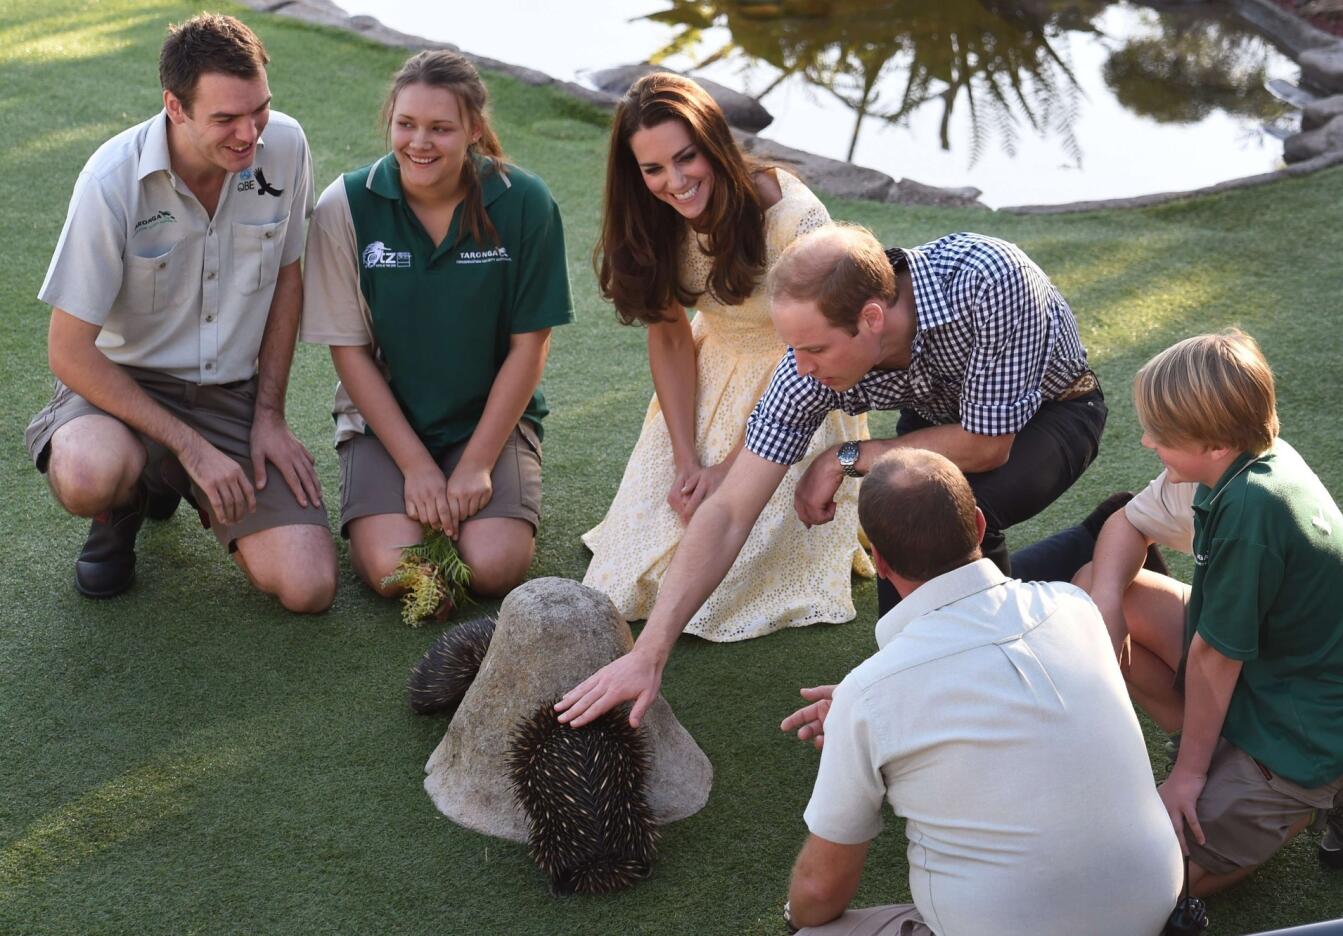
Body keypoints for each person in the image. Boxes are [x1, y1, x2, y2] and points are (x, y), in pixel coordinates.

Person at [558, 222, 1104, 727]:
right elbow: (727, 512)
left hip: (1053, 414)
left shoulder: (991, 281)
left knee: (952, 508)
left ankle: (990, 681)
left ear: (871, 318)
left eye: (814, 348)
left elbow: (987, 446)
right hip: (943, 416)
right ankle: (1088, 550)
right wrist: (648, 653)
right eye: (792, 347)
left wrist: (845, 456)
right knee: (898, 512)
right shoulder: (808, 366)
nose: (801, 368)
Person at [776, 449, 1181, 936]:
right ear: (979, 523)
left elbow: (818, 895)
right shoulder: (1075, 606)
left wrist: (864, 714)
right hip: (1157, 907)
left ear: (879, 563)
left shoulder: (870, 694)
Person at [24, 13, 336, 611]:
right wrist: (193, 448)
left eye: (259, 109)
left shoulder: (287, 146)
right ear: (175, 105)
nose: (250, 134)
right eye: (225, 118)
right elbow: (68, 352)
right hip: (125, 387)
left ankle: (164, 474)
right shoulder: (110, 182)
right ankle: (130, 496)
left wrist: (269, 415)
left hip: (230, 393)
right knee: (89, 473)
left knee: (310, 587)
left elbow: (288, 277)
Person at [1078, 330, 1343, 895]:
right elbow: (1127, 525)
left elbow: (1214, 660)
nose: (1146, 440)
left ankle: (1328, 783)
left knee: (1153, 885)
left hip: (1313, 725)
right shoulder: (1241, 461)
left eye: (1161, 433)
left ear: (1212, 443)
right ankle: (1236, 765)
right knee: (1097, 588)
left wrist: (1188, 775)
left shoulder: (1253, 511)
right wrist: (1105, 607)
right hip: (1282, 675)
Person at [581, 73, 871, 641]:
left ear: (712, 143)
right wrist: (688, 457)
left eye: (686, 158)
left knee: (727, 577)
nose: (675, 182)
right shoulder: (650, 214)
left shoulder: (792, 216)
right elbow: (669, 335)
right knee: (630, 566)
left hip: (799, 382)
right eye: (654, 169)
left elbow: (819, 345)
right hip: (707, 372)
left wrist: (733, 466)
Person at [299, 51, 572, 597]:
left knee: (493, 569)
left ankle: (471, 494)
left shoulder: (525, 203)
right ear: (391, 122)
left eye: (440, 128)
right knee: (395, 574)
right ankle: (409, 499)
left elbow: (530, 347)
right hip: (384, 423)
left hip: (487, 420)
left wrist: (475, 465)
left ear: (473, 130)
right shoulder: (346, 205)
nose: (419, 142)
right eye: (407, 124)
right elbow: (349, 353)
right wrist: (418, 469)